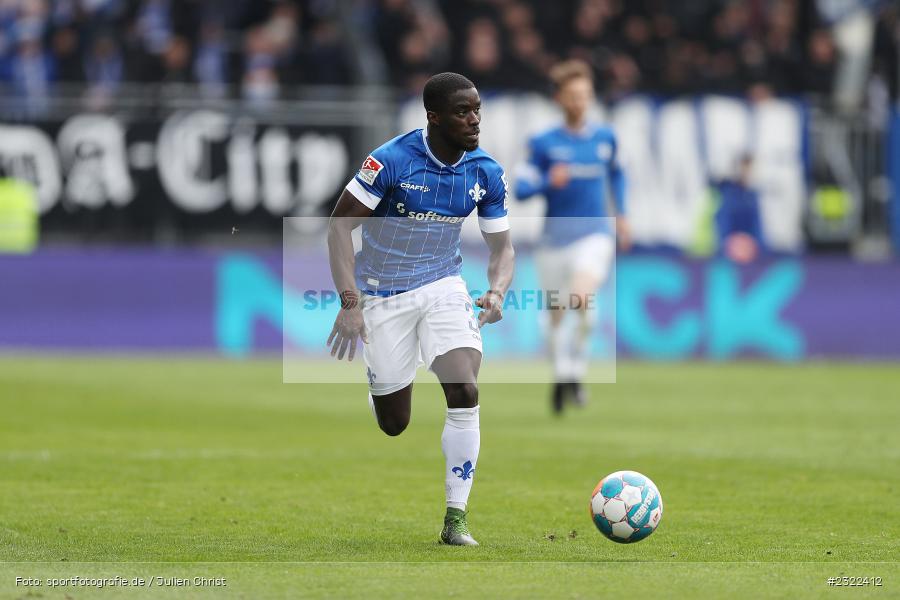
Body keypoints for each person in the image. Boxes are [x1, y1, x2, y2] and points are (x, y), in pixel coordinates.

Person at [326, 72, 515, 546]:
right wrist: (350, 303)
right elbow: (338, 228)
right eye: (462, 112)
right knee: (395, 424)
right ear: (432, 117)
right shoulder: (389, 161)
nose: (474, 121)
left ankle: (456, 520)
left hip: (444, 286)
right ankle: (384, 386)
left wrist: (496, 290)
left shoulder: (485, 171)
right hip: (383, 294)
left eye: (477, 110)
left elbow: (503, 249)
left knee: (464, 388)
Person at [514, 59, 628, 414]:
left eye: (586, 95)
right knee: (555, 315)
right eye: (573, 96)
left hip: (595, 233)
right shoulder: (543, 143)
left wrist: (621, 214)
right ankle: (564, 374)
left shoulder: (605, 137)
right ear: (560, 99)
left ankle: (574, 370)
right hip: (553, 241)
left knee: (582, 297)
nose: (580, 102)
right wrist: (550, 181)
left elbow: (617, 175)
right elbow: (520, 188)